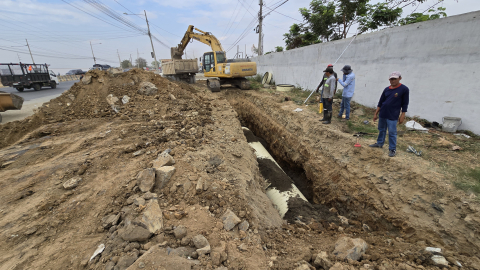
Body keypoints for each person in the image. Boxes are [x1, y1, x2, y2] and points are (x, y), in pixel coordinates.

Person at [369, 71, 410, 157]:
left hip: (393, 115)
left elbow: (405, 104)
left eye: (395, 79)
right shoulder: (386, 89)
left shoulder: (404, 89)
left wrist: (403, 115)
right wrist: (376, 113)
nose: (393, 81)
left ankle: (392, 149)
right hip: (383, 113)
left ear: (399, 78)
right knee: (381, 129)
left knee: (392, 132)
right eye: (391, 79)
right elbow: (380, 102)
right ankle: (379, 143)